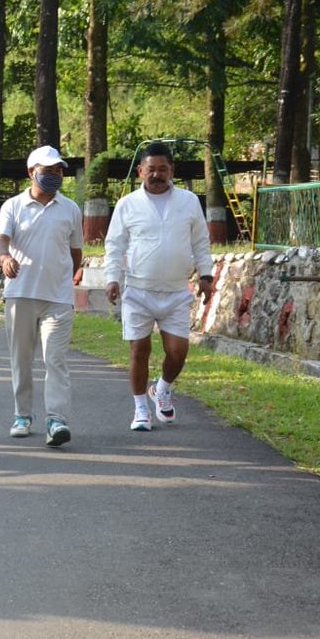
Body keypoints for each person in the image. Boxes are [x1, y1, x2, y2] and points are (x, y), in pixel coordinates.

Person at [104, 140, 214, 432]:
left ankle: (162, 389)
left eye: (163, 169)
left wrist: (207, 275)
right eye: (151, 169)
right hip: (138, 291)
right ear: (140, 171)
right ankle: (141, 408)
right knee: (139, 350)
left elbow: (201, 241)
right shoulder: (127, 205)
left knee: (177, 353)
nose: (157, 175)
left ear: (171, 171)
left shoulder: (189, 201)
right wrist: (112, 278)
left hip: (177, 291)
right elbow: (114, 245)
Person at [0, 145, 83, 447]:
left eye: (59, 170)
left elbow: (76, 251)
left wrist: (63, 277)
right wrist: (5, 258)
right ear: (32, 172)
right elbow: (1, 239)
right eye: (48, 171)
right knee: (21, 359)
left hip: (58, 297)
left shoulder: (70, 208)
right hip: (20, 294)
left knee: (55, 359)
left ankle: (56, 420)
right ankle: (22, 415)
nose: (55, 175)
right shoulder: (14, 206)